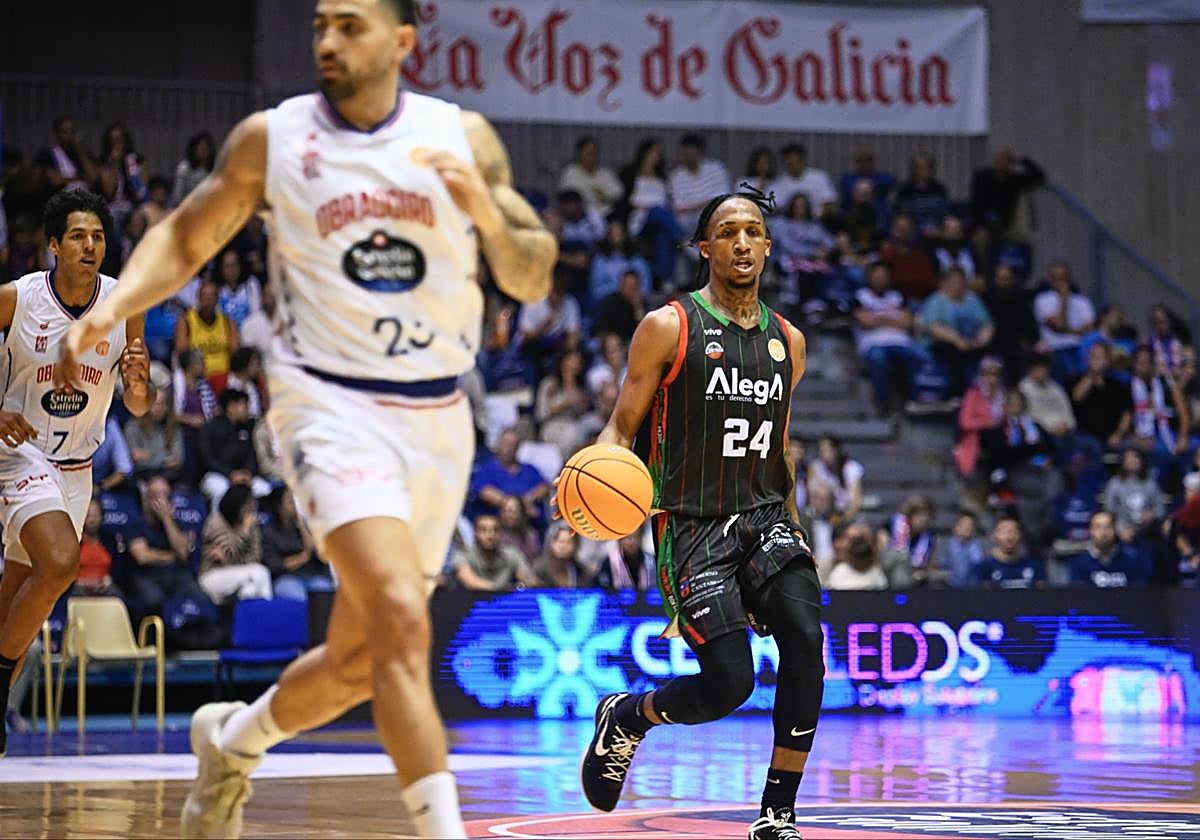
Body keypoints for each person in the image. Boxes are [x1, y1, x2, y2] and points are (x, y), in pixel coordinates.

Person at [56, 1, 556, 836]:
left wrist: (480, 203)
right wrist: (114, 312)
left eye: (350, 25)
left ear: (402, 42)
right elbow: (186, 237)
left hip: (436, 414)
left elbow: (531, 275)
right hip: (326, 400)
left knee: (364, 663)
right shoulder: (275, 137)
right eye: (321, 23)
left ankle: (232, 740)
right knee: (402, 618)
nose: (327, 40)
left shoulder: (461, 135)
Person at [574, 187, 822, 840]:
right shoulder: (668, 326)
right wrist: (596, 478)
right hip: (691, 525)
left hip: (765, 517)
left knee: (805, 640)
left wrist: (794, 523)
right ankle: (630, 716)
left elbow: (780, 443)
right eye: (728, 232)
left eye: (754, 231)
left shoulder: (787, 342)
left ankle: (778, 812)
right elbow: (620, 428)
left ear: (768, 246)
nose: (742, 242)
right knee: (729, 685)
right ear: (705, 247)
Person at [0, 189, 154, 757]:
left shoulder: (126, 304)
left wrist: (139, 382)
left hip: (77, 468)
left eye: (98, 238)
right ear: (53, 246)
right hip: (19, 455)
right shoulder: (19, 298)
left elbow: (139, 405)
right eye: (78, 237)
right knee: (62, 562)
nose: (91, 247)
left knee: (17, 593)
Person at [199, 484, 272, 604]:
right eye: (249, 504)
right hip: (211, 576)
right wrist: (244, 530)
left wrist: (231, 559)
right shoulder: (216, 522)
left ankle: (251, 621)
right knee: (261, 573)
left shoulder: (252, 525)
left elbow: (256, 556)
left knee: (249, 590)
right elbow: (231, 551)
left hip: (238, 574)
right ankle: (269, 616)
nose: (252, 508)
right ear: (238, 504)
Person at [451, 513, 535, 591]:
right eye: (483, 530)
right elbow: (470, 582)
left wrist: (529, 582)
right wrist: (506, 589)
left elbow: (526, 578)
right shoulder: (463, 554)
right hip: (472, 603)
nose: (490, 536)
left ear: (501, 533)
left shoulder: (512, 553)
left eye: (495, 530)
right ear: (475, 533)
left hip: (504, 603)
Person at [1067, 511, 1149, 588]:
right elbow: (1079, 598)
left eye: (1108, 527)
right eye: (1097, 527)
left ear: (1115, 530)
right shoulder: (1079, 564)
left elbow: (1139, 595)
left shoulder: (1133, 561)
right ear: (1090, 531)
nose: (1103, 533)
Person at [558, 136, 623, 218]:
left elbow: (618, 191)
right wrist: (594, 196)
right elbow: (568, 196)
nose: (591, 157)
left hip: (607, 214)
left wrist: (605, 196)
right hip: (581, 216)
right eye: (588, 153)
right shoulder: (570, 172)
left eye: (594, 154)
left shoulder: (605, 172)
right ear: (579, 153)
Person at [975, 517, 1045, 589]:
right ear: (995, 535)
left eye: (1014, 532)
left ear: (1020, 535)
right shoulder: (984, 567)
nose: (1009, 537)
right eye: (1004, 532)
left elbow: (1043, 596)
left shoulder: (1035, 566)